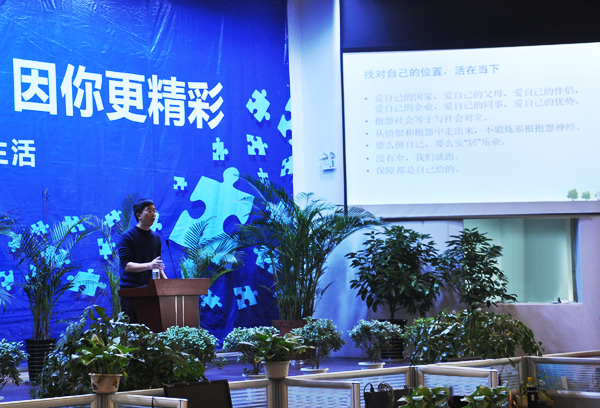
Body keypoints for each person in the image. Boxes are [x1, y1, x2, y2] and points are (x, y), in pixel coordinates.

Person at [118, 198, 167, 323]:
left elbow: (157, 264)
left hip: (151, 292)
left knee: (152, 328)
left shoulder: (156, 237)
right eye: (149, 211)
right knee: (133, 329)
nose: (153, 214)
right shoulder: (127, 237)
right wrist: (149, 265)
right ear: (139, 215)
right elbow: (127, 265)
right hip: (131, 292)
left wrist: (168, 283)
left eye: (154, 211)